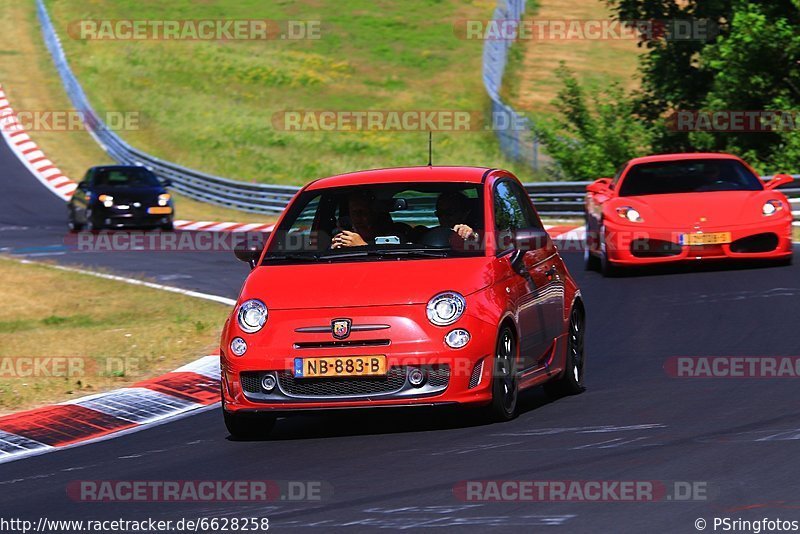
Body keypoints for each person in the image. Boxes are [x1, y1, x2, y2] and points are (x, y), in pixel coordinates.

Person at [331, 191, 405, 248]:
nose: (358, 217)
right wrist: (333, 251)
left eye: (363, 212)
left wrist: (362, 246)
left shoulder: (394, 238)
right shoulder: (343, 239)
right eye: (354, 212)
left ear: (374, 214)